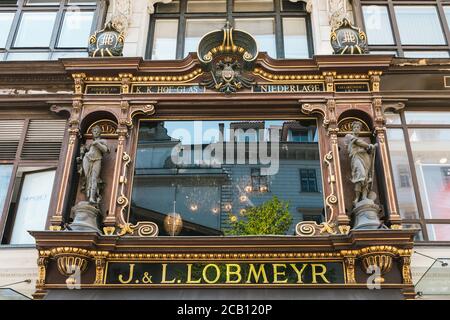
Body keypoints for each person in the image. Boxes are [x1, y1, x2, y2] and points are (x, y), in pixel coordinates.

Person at [345, 121, 376, 206]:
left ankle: (364, 197)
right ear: (352, 128)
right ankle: (357, 198)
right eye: (355, 127)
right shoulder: (349, 136)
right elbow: (358, 142)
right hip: (356, 158)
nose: (356, 129)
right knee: (360, 175)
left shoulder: (363, 140)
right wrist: (369, 146)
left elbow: (368, 151)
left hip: (365, 159)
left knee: (365, 177)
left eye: (358, 127)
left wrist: (371, 149)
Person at [80, 125, 109, 204]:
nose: (95, 133)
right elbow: (85, 150)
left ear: (99, 133)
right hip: (87, 158)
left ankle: (92, 198)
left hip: (97, 159)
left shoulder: (103, 141)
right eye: (94, 131)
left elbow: (105, 150)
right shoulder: (90, 142)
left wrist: (97, 143)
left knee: (94, 178)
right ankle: (87, 196)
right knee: (87, 177)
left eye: (97, 131)